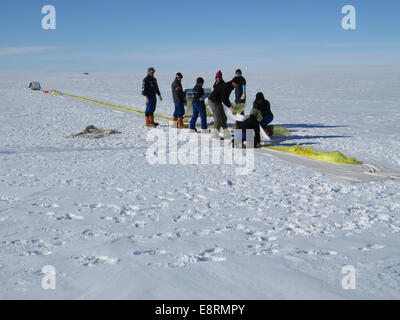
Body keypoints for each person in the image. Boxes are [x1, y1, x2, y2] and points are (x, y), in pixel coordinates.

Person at [207, 74, 241, 139]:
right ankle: (215, 134)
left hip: (218, 101)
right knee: (218, 117)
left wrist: (230, 105)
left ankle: (226, 133)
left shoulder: (230, 87)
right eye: (237, 84)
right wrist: (230, 107)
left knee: (224, 117)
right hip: (213, 101)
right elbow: (224, 99)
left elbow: (226, 98)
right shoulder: (227, 86)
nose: (237, 86)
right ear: (234, 83)